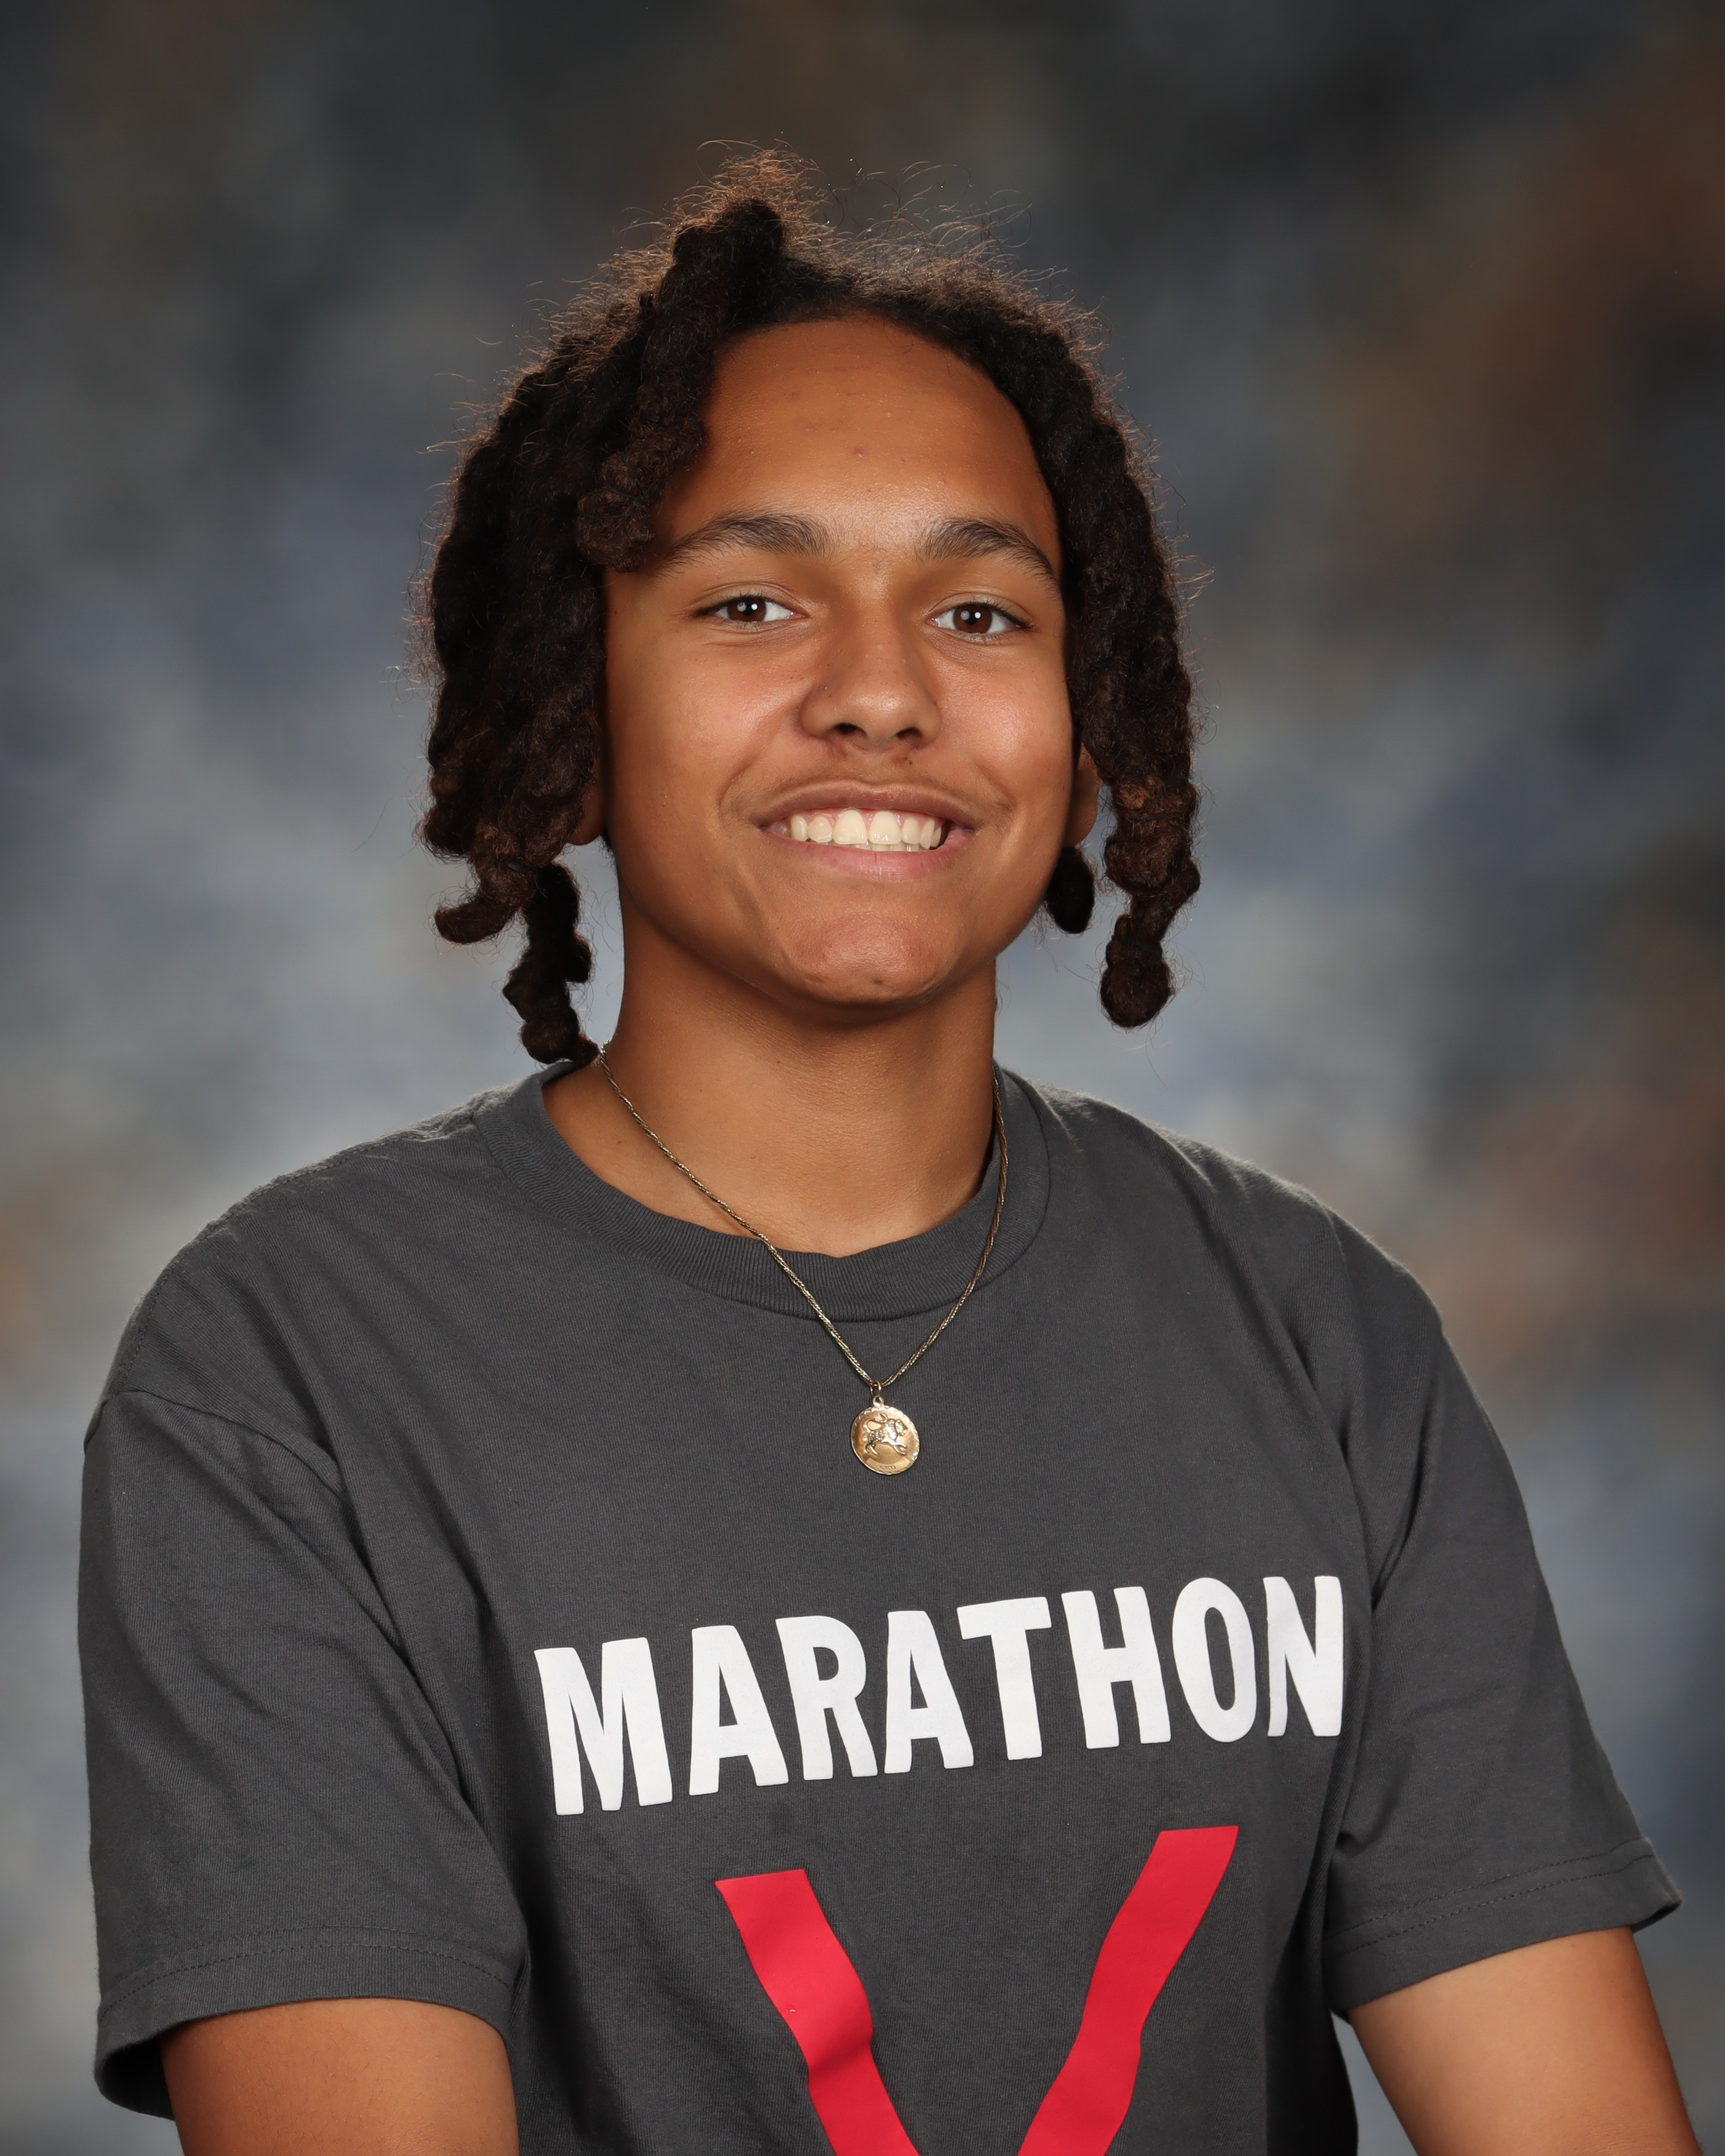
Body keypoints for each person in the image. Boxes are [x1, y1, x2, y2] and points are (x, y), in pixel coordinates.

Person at [79, 152, 1698, 2156]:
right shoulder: (289, 1375)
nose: (879, 692)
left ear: (1085, 724)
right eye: (751, 602)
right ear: (571, 709)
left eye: (979, 609)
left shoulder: (1318, 1335)